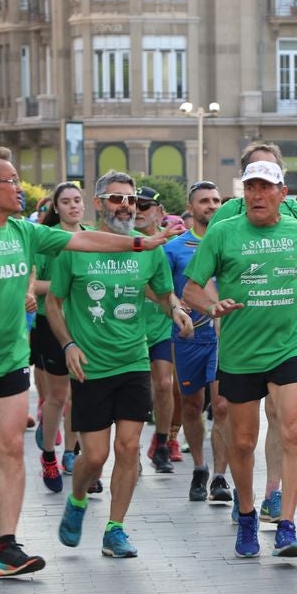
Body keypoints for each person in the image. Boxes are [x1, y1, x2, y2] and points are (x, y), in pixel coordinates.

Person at [0, 148, 180, 578]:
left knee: (8, 448)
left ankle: (8, 545)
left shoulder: (25, 232)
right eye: (11, 180)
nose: (19, 187)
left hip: (10, 359)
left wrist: (140, 242)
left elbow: (83, 239)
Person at [182, 160, 297, 558]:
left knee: (295, 430)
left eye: (265, 188)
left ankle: (287, 524)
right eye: (250, 188)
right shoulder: (223, 233)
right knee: (242, 443)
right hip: (241, 353)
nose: (257, 195)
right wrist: (212, 307)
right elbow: (191, 290)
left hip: (290, 347)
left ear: (283, 193)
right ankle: (246, 513)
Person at [52, 174, 193, 559]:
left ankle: (115, 528)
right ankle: (78, 498)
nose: (126, 206)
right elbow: (53, 302)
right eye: (117, 199)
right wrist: (67, 344)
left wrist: (177, 310)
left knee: (128, 448)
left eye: (131, 200)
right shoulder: (76, 247)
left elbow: (163, 295)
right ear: (99, 203)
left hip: (133, 359)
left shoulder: (147, 250)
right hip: (90, 366)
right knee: (94, 456)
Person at [164, 180, 231, 502]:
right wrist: (176, 305)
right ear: (191, 208)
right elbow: (157, 287)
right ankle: (200, 468)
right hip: (188, 339)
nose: (212, 205)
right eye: (204, 201)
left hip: (226, 339)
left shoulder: (233, 243)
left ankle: (220, 477)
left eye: (216, 200)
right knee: (191, 405)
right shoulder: (175, 248)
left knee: (221, 406)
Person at [31, 183, 85, 480]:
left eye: (77, 200)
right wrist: (66, 285)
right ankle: (49, 453)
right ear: (57, 207)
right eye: (66, 202)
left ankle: (71, 453)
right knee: (58, 395)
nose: (73, 206)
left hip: (84, 323)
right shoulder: (45, 239)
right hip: (50, 322)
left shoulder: (92, 236)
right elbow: (33, 285)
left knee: (79, 394)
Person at [134, 184, 184, 474]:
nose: (138, 212)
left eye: (144, 206)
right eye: (134, 205)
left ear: (159, 212)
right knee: (139, 393)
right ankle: (133, 450)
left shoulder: (171, 244)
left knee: (165, 385)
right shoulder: (122, 243)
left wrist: (179, 307)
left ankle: (162, 442)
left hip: (162, 326)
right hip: (131, 328)